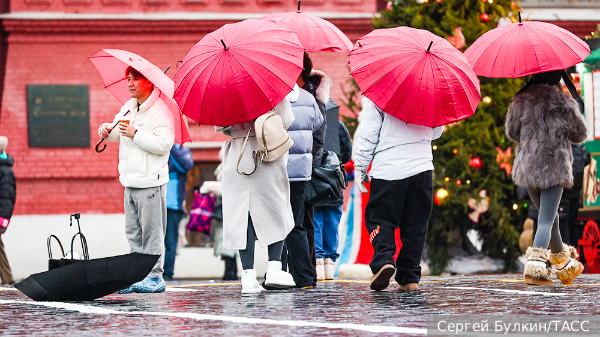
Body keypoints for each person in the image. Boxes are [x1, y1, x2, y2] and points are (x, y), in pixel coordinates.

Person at [505, 70, 587, 286]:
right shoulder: (563, 102)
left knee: (549, 219)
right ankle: (535, 270)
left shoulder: (519, 99)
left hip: (528, 168)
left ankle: (564, 266)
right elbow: (580, 134)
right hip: (553, 166)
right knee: (545, 220)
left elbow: (512, 132)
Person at [98, 66, 175, 293]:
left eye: (135, 79)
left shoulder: (161, 112)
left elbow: (164, 145)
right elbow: (116, 131)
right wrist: (106, 130)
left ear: (149, 82)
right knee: (133, 232)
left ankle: (154, 277)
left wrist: (136, 134)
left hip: (151, 183)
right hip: (129, 182)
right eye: (128, 79)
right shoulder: (129, 108)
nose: (130, 83)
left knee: (152, 232)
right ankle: (135, 276)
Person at [354, 98, 443, 292]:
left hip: (389, 168)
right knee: (416, 226)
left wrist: (360, 165)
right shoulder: (430, 92)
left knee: (380, 218)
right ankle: (409, 278)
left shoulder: (379, 94)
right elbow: (436, 132)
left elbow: (369, 134)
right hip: (422, 168)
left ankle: (384, 259)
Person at [216, 98, 296, 294]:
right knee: (275, 208)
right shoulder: (271, 89)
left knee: (242, 216)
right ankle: (274, 267)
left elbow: (223, 127)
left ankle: (248, 277)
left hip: (237, 155)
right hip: (266, 151)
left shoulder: (225, 91)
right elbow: (285, 119)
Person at [278, 57, 325, 289]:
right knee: (298, 223)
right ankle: (305, 277)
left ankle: (294, 276)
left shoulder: (277, 96)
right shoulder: (308, 98)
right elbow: (317, 122)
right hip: (302, 171)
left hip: (280, 169)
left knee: (283, 225)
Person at [314, 120, 352, 280]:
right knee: (332, 222)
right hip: (334, 180)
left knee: (316, 220)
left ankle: (318, 262)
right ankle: (329, 263)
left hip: (315, 178)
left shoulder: (312, 123)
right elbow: (347, 153)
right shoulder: (338, 126)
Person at [163, 143, 193, 281]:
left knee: (170, 242)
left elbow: (186, 165)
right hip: (156, 202)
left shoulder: (182, 151)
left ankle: (167, 274)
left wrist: (171, 148)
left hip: (174, 205)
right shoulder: (159, 148)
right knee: (153, 242)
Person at [0, 136, 16, 285]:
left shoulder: (4, 170)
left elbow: (7, 197)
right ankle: (7, 279)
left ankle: (8, 279)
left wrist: (3, 219)